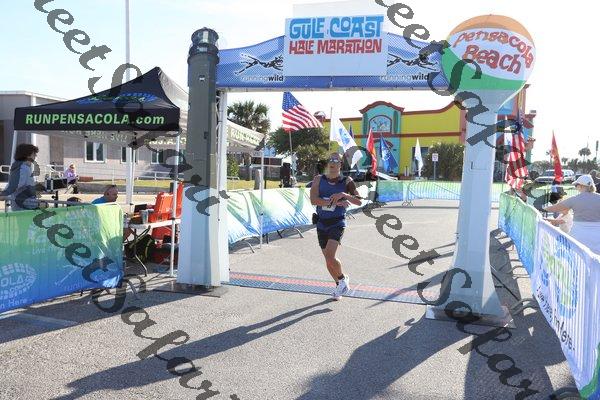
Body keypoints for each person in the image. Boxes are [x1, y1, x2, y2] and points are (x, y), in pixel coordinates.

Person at [309, 153, 363, 300]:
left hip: (337, 222)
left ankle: (343, 279)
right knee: (328, 261)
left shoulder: (347, 181)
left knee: (331, 256)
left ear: (341, 164)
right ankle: (340, 285)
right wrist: (334, 202)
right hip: (321, 222)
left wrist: (344, 194)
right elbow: (313, 200)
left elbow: (359, 201)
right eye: (330, 160)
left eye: (336, 160)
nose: (332, 162)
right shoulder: (318, 179)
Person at [545, 174, 600, 254]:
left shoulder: (574, 199)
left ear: (581, 186)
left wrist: (541, 209)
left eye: (576, 185)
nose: (576, 187)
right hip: (597, 236)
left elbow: (554, 208)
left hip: (578, 235)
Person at [0, 144, 47, 211]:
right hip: (24, 208)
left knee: (45, 205)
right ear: (27, 155)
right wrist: (4, 195)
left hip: (25, 206)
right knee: (45, 205)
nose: (35, 156)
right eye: (34, 154)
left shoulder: (22, 167)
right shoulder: (23, 168)